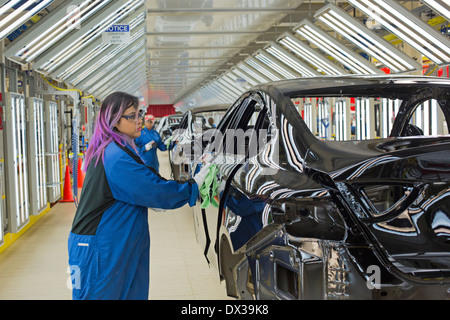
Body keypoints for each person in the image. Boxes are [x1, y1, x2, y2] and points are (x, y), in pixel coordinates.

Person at [67, 92, 210, 300]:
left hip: (113, 242)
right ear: (114, 120)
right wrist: (193, 186)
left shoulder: (117, 148)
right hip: (99, 248)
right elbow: (153, 189)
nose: (139, 120)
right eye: (132, 116)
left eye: (139, 114)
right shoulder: (115, 156)